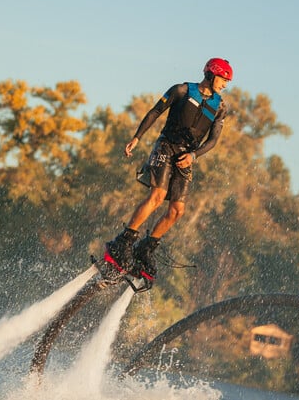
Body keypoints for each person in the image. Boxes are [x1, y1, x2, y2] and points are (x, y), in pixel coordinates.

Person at [100, 57, 233, 285]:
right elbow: (155, 112)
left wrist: (193, 156)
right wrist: (136, 138)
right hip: (166, 146)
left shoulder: (220, 107)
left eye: (228, 81)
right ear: (211, 75)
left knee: (177, 211)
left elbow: (212, 141)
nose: (225, 85)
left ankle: (145, 249)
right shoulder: (181, 91)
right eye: (223, 79)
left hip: (186, 157)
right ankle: (123, 243)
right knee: (157, 196)